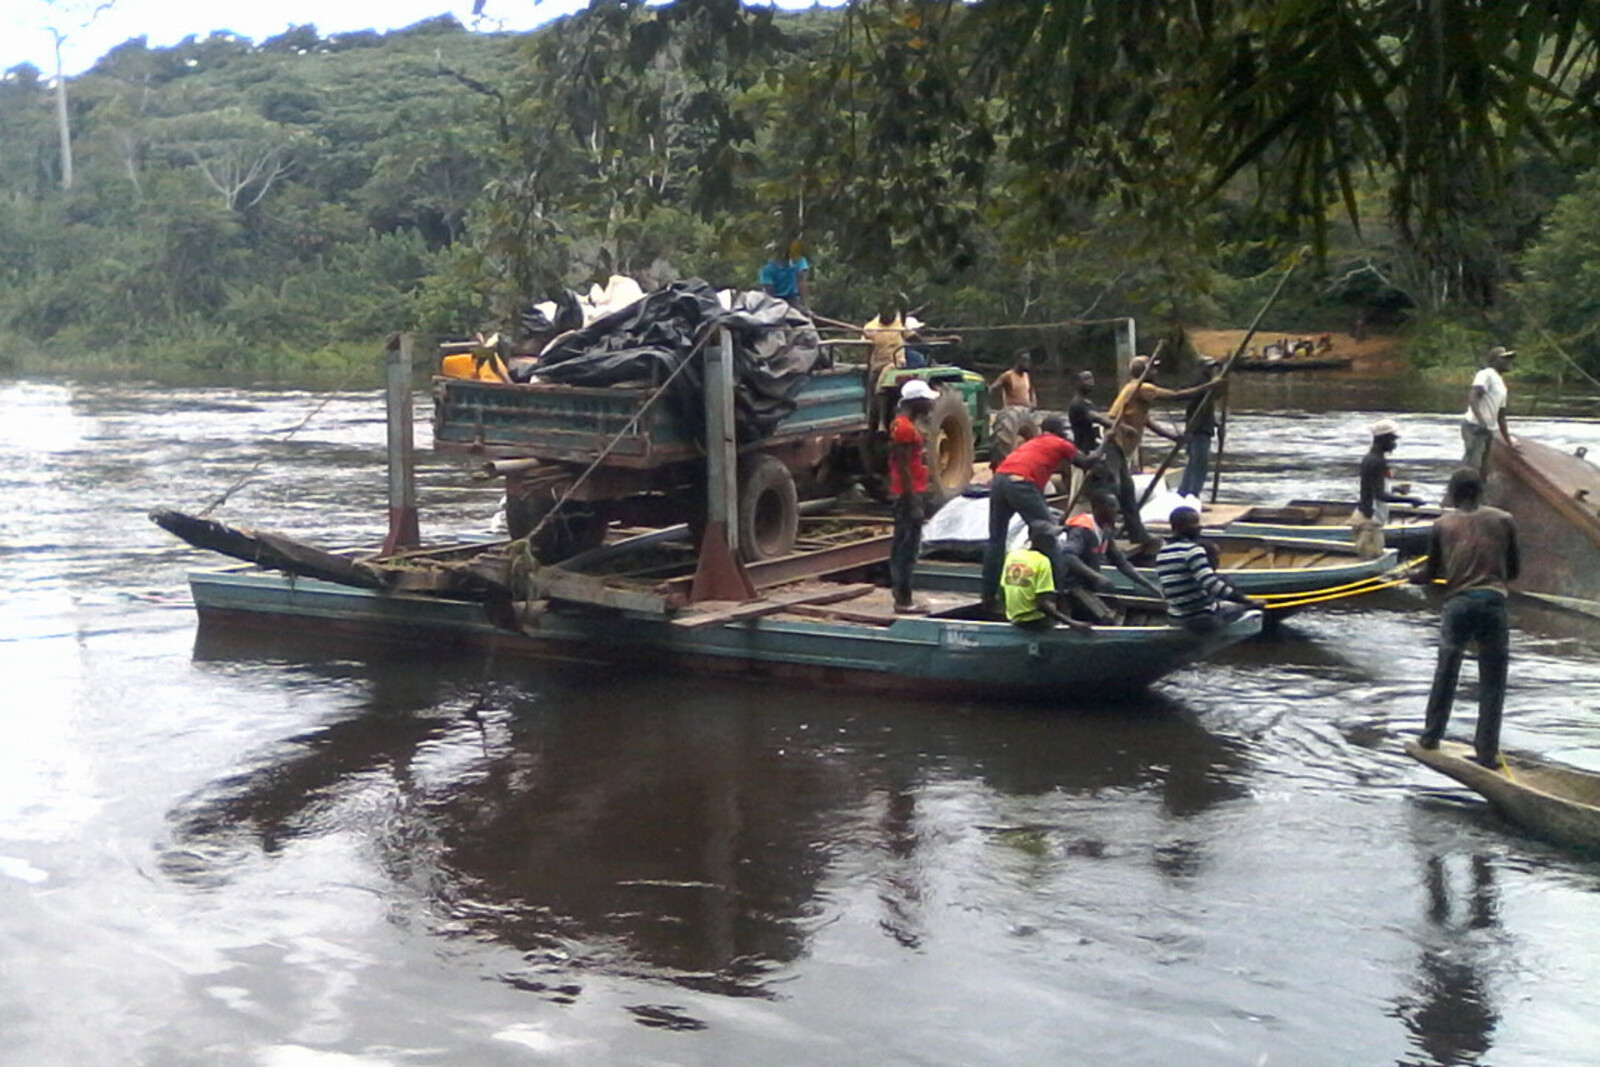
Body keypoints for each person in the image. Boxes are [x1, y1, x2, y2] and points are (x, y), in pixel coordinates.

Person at [1411, 468, 1520, 768]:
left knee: (1446, 672)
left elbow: (1432, 573)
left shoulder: (1442, 524)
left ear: (1455, 493)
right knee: (1493, 680)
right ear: (1480, 491)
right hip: (1494, 603)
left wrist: (1413, 577)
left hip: (1458, 604)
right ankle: (1486, 753)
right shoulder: (1504, 520)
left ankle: (1430, 737)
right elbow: (1513, 571)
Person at [981, 415, 1101, 615]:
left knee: (996, 540)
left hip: (1000, 480)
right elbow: (1086, 462)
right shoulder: (1059, 442)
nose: (1066, 433)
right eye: (1064, 429)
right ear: (1058, 431)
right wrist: (1103, 447)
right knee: (1049, 537)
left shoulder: (1034, 443)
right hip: (1022, 485)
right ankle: (1056, 594)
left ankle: (988, 596)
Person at [1104, 354, 1219, 549]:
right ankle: (1107, 530)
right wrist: (1207, 387)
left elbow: (1146, 421)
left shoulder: (1135, 391)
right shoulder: (1141, 387)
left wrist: (1172, 437)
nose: (1156, 372)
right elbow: (1175, 396)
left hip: (1121, 448)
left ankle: (1137, 534)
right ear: (1144, 372)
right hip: (1115, 445)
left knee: (1127, 492)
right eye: (1153, 369)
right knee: (1114, 488)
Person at [1155, 506, 1261, 630]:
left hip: (1174, 617)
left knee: (1222, 587)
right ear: (1183, 528)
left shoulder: (1162, 552)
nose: (1200, 527)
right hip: (1201, 618)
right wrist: (1246, 601)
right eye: (1195, 524)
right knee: (1243, 608)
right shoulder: (1193, 550)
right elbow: (1211, 583)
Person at [1057, 493, 1165, 602]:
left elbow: (1120, 562)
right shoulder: (1082, 529)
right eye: (1112, 507)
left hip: (1088, 586)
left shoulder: (1105, 531)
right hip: (1070, 586)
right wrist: (1096, 577)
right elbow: (1068, 556)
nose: (1117, 512)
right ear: (1098, 508)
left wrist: (1149, 586)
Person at [888, 379, 937, 613]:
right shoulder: (905, 429)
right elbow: (904, 465)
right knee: (907, 548)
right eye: (926, 400)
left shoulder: (901, 424)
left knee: (902, 545)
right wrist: (912, 501)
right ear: (916, 401)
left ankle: (901, 595)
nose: (930, 404)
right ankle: (904, 600)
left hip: (907, 491)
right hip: (908, 493)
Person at [1353, 419, 1426, 558]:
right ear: (1383, 440)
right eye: (1392, 440)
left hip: (1371, 519)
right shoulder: (1375, 461)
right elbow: (1380, 495)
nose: (1394, 444)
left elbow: (1374, 487)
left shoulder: (1375, 458)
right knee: (1372, 561)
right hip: (1369, 522)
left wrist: (1395, 489)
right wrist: (1411, 499)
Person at [1001, 519, 1088, 630]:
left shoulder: (1013, 555)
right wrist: (1073, 623)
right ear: (1040, 540)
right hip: (1034, 620)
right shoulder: (1042, 561)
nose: (1054, 541)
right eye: (1050, 538)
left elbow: (1004, 588)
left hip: (1014, 617)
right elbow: (1043, 605)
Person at [1460, 345, 1515, 477]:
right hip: (1474, 427)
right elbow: (1473, 397)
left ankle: (1479, 492)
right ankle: (1462, 490)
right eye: (1504, 359)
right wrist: (1481, 421)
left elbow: (1501, 416)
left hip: (1489, 430)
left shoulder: (1501, 384)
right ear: (1495, 361)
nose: (1508, 362)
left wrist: (1508, 441)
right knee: (1472, 464)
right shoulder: (1485, 374)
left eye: (1509, 359)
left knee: (1485, 468)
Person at [1176, 358, 1221, 499]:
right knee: (1198, 464)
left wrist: (1216, 424)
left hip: (1202, 427)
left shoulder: (1206, 385)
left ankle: (1185, 493)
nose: (1213, 371)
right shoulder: (1200, 384)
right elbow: (1192, 402)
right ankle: (1191, 495)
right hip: (1198, 429)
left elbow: (1208, 408)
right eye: (1210, 368)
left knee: (1194, 463)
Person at [758, 239, 810, 308]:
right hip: (775, 301)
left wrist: (806, 307)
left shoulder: (799, 261)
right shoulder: (767, 269)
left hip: (793, 300)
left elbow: (802, 283)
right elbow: (769, 291)